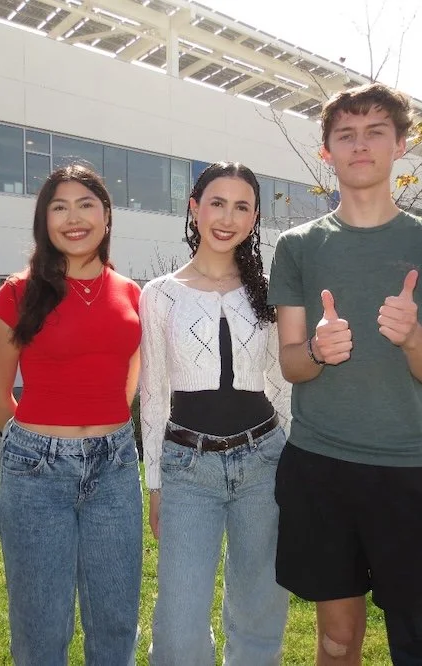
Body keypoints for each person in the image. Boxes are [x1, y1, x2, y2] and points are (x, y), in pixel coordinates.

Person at [266, 82, 422, 665]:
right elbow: (290, 364)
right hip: (320, 467)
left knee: (418, 642)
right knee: (336, 641)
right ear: (327, 151)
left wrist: (411, 337)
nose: (360, 145)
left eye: (375, 132)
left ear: (400, 145)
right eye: (346, 135)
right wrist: (317, 350)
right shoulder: (297, 246)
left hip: (410, 469)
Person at [0, 163, 143, 666]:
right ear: (44, 221)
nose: (74, 218)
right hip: (36, 474)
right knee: (42, 625)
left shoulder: (132, 293)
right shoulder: (16, 294)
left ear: (107, 215)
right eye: (59, 207)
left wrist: (104, 424)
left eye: (85, 205)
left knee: (116, 619)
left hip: (115, 466)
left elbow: (131, 375)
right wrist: (37, 448)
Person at [140, 162, 292, 665]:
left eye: (242, 207)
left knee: (259, 610)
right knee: (179, 626)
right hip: (188, 469)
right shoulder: (160, 294)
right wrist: (155, 484)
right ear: (194, 209)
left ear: (255, 218)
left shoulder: (268, 290)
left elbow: (283, 382)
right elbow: (153, 393)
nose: (228, 218)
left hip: (264, 463)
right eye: (217, 203)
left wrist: (293, 462)